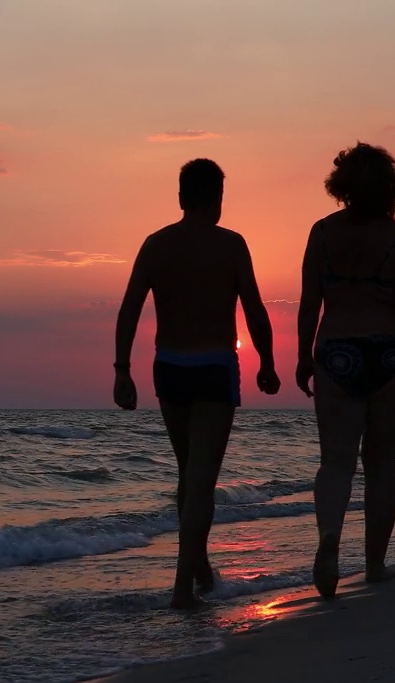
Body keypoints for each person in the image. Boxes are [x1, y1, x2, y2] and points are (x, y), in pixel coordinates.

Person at [114, 159, 282, 610]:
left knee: (189, 473)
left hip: (168, 367)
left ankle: (201, 568)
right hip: (213, 367)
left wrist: (121, 368)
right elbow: (254, 308)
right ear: (216, 200)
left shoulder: (155, 245)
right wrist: (267, 361)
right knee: (201, 480)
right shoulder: (231, 244)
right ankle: (181, 587)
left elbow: (129, 309)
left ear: (181, 197)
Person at [296, 142, 395, 600]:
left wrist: (302, 355)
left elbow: (309, 305)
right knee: (380, 465)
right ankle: (374, 564)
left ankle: (329, 541)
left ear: (342, 185)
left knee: (335, 461)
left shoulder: (320, 233)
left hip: (336, 351)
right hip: (391, 353)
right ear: (392, 187)